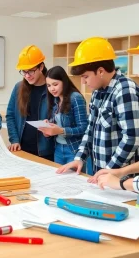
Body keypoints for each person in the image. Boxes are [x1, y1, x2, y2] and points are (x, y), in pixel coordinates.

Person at [57, 37, 139, 176]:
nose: (83, 82)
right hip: (101, 174)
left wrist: (110, 170)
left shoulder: (125, 90)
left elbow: (132, 137)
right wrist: (79, 158)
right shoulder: (97, 92)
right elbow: (90, 129)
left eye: (85, 76)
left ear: (100, 71)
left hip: (121, 178)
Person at [6, 45, 54, 161]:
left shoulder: (52, 89)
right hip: (22, 150)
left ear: (41, 66)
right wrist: (14, 140)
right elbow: (10, 115)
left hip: (46, 152)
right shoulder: (18, 88)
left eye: (31, 71)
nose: (27, 76)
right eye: (24, 71)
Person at [38, 66, 88, 165]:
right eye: (48, 86)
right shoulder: (55, 100)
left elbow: (84, 128)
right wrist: (48, 129)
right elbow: (56, 126)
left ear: (64, 82)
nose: (52, 89)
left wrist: (61, 130)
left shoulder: (75, 98)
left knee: (73, 179)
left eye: (55, 84)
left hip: (74, 150)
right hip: (58, 148)